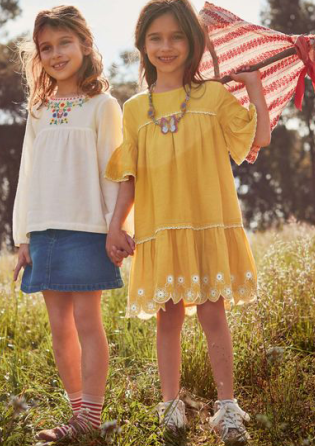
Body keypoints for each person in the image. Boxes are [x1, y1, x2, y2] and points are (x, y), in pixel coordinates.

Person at [104, 0, 271, 443]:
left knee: (214, 312)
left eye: (177, 37)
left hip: (207, 223)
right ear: (142, 44)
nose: (166, 46)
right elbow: (129, 175)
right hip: (160, 229)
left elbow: (260, 137)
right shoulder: (135, 108)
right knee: (169, 318)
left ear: (193, 43)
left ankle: (227, 409)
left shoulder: (213, 96)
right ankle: (170, 405)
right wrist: (116, 225)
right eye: (156, 37)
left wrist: (253, 87)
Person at [12, 5, 122, 441]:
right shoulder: (38, 110)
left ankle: (91, 419)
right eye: (46, 48)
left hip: (88, 230)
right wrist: (22, 236)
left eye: (64, 43)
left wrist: (116, 226)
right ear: (38, 57)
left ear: (84, 45)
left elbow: (113, 170)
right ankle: (77, 415)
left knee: (87, 322)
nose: (56, 54)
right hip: (43, 230)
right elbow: (26, 174)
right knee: (59, 327)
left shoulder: (103, 105)